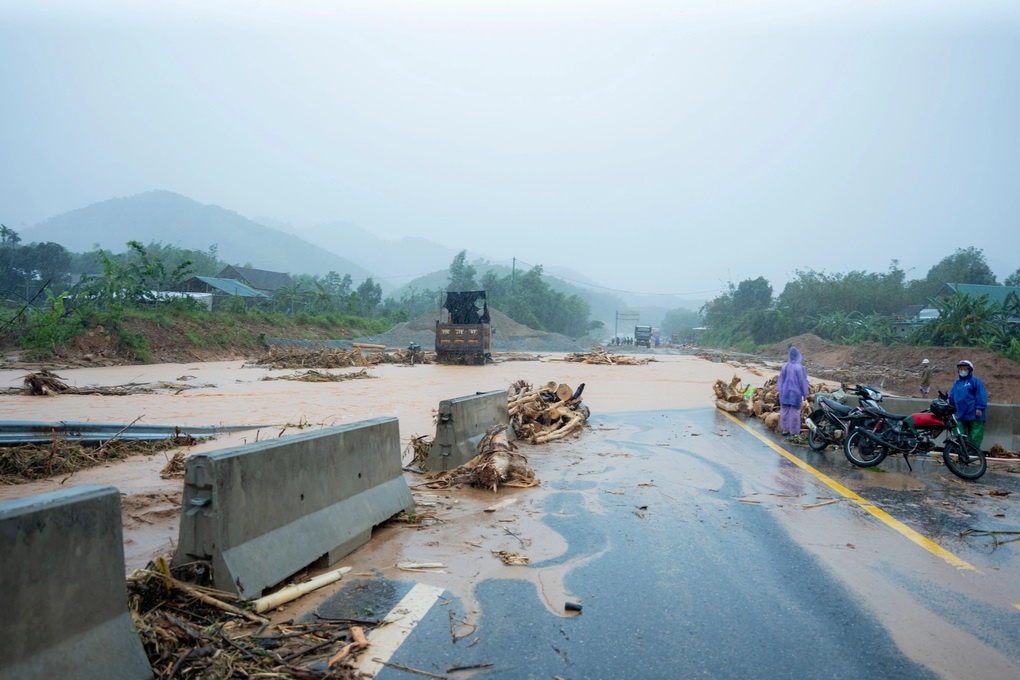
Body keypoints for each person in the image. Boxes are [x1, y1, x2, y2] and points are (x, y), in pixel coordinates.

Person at [948, 359, 988, 449]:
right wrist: (949, 402)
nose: (963, 371)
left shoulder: (976, 381)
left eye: (965, 369)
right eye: (961, 369)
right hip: (960, 414)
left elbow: (981, 395)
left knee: (975, 435)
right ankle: (962, 453)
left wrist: (979, 408)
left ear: (970, 370)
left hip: (974, 413)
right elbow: (952, 396)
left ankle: (974, 453)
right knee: (959, 435)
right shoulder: (957, 383)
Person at [777, 346, 811, 436]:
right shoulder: (800, 368)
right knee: (795, 413)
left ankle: (785, 430)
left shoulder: (784, 366)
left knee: (784, 412)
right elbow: (802, 381)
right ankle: (794, 432)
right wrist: (804, 393)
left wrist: (780, 390)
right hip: (795, 394)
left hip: (785, 393)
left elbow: (780, 380)